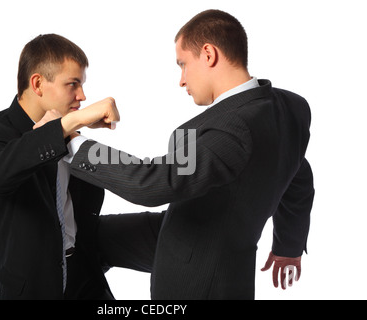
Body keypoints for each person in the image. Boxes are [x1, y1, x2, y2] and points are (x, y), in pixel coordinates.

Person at [63, 9, 315, 299]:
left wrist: (74, 144)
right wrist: (289, 245)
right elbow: (298, 174)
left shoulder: (231, 128)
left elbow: (155, 183)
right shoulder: (290, 106)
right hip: (185, 228)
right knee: (85, 238)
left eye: (183, 64)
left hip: (203, 273)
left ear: (208, 54)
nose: (181, 80)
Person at [0, 34, 120, 300]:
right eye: (73, 84)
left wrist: (69, 129)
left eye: (82, 85)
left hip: (83, 279)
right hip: (27, 287)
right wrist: (68, 124)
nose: (82, 96)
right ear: (37, 83)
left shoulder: (68, 133)